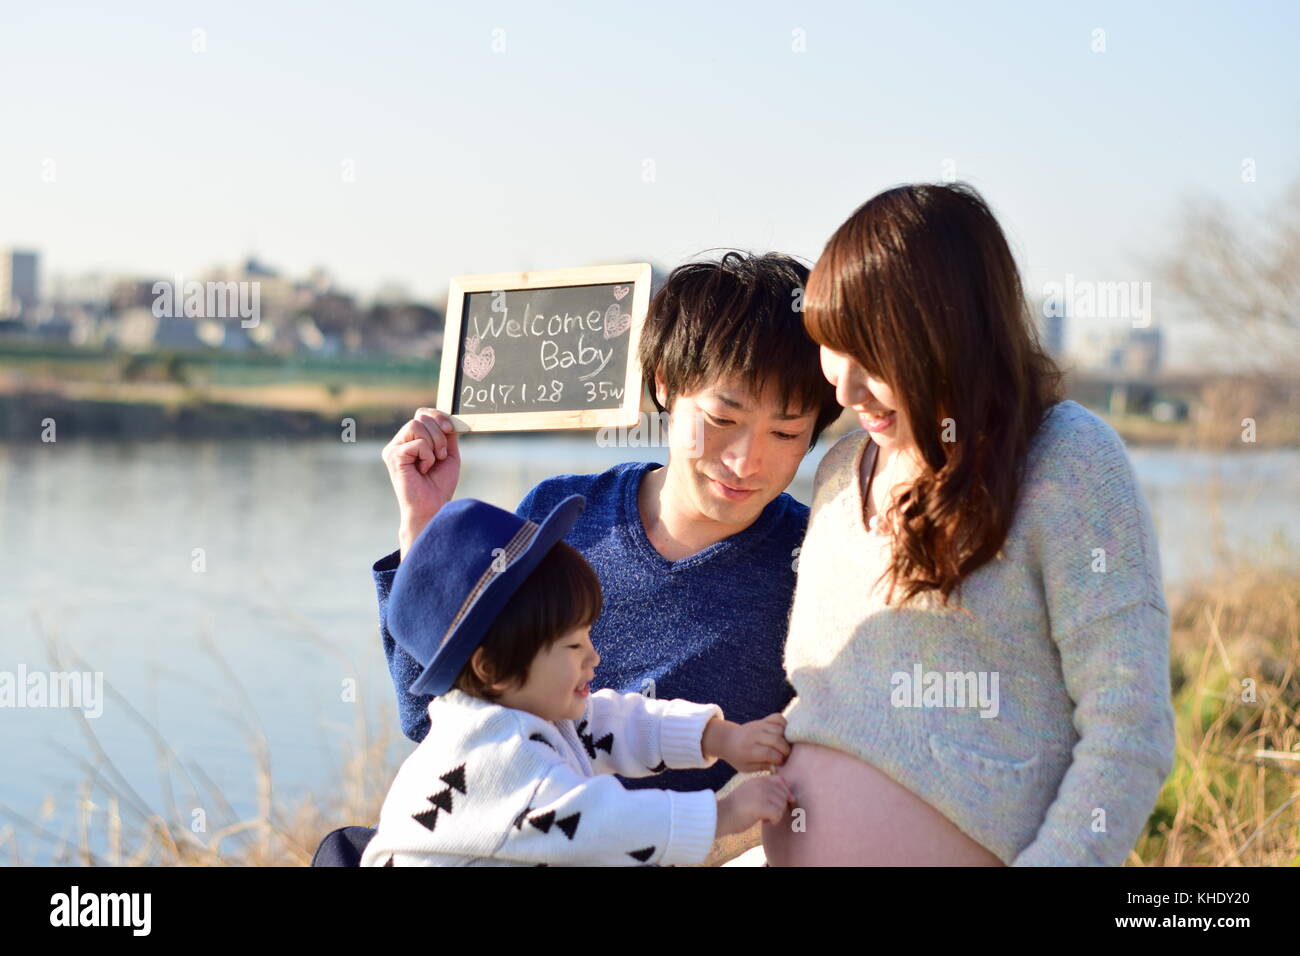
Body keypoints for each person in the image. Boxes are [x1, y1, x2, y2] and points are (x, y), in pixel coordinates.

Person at [760, 182, 1176, 866]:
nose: (844, 389)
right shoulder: (841, 468)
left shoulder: (1068, 459)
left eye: (872, 355)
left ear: (945, 336)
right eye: (833, 349)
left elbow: (1129, 729)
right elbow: (820, 708)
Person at [375, 251, 842, 829]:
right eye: (722, 420)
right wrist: (423, 529)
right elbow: (432, 720)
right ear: (667, 385)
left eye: (786, 431)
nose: (747, 460)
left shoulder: (817, 563)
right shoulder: (563, 515)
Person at [360, 493, 793, 866]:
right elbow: (599, 824)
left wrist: (720, 739)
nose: (594, 656)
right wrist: (724, 813)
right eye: (572, 646)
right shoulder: (493, 757)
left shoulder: (521, 711)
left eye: (588, 634)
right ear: (490, 667)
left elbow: (612, 723)